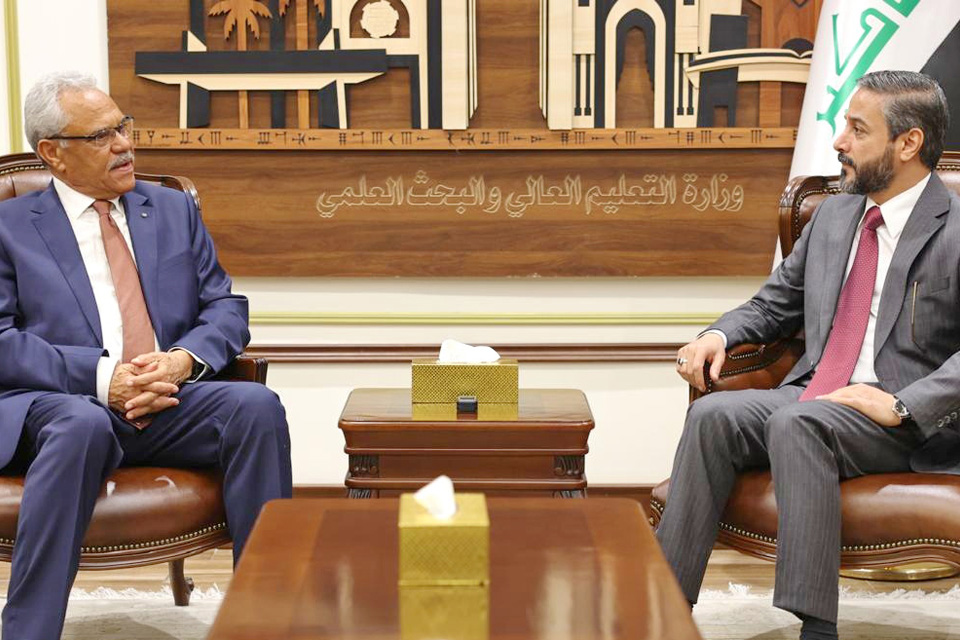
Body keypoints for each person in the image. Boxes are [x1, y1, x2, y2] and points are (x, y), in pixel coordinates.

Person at [657, 69, 956, 640]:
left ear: (908, 143)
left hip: (904, 418)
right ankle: (665, 606)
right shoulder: (835, 217)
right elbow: (773, 305)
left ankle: (817, 628)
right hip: (817, 393)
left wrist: (900, 405)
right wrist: (717, 336)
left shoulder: (957, 228)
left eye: (858, 130)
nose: (840, 141)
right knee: (712, 415)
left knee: (798, 422)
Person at [0, 71, 292, 639]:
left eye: (124, 127)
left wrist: (181, 361)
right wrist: (102, 377)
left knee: (255, 407)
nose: (124, 145)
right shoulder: (8, 226)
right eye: (102, 136)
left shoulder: (171, 210)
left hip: (169, 400)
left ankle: (269, 623)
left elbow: (226, 308)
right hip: (63, 405)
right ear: (53, 153)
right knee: (82, 423)